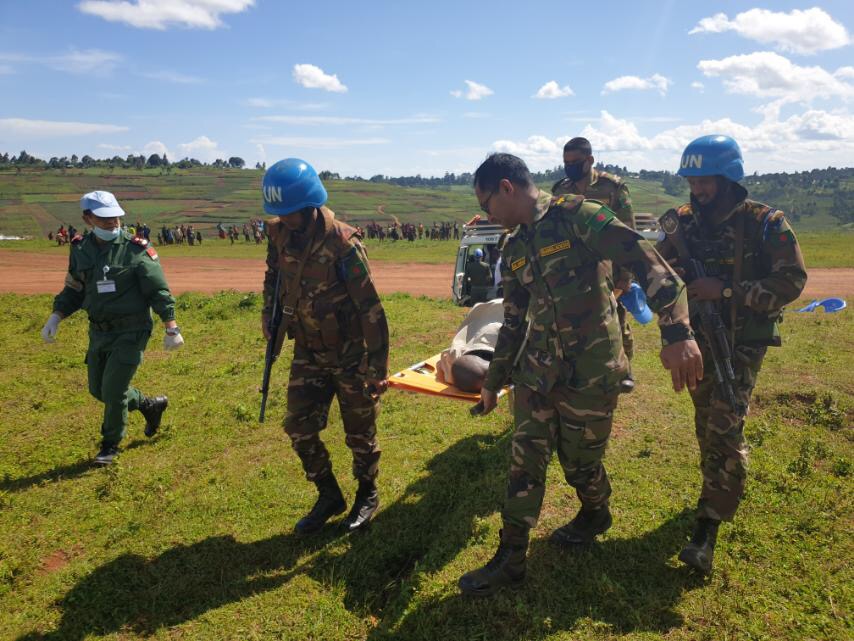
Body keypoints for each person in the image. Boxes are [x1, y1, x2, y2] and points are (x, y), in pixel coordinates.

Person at [458, 153, 702, 596]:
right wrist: (493, 384)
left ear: (507, 188)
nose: (488, 214)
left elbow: (649, 263)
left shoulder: (578, 217)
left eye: (488, 202)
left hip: (591, 370)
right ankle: (511, 557)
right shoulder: (514, 247)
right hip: (538, 370)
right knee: (523, 460)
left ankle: (595, 510)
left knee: (579, 463)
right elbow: (513, 323)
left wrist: (678, 332)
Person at [656, 135, 807, 574]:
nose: (697, 189)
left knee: (724, 423)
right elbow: (656, 270)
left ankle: (708, 527)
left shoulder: (765, 222)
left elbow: (791, 282)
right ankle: (715, 488)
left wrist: (725, 290)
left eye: (705, 181)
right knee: (708, 421)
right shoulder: (682, 223)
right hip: (694, 341)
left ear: (728, 178)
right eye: (692, 180)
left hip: (739, 343)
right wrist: (673, 281)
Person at [261, 158, 390, 534]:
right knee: (298, 426)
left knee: (359, 432)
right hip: (309, 351)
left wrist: (377, 368)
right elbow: (274, 276)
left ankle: (367, 492)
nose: (284, 219)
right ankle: (329, 495)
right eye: (279, 213)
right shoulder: (277, 233)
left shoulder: (343, 243)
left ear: (308, 205)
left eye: (290, 213)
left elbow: (372, 309)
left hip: (351, 355)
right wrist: (269, 318)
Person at [41, 191, 185, 465]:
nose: (112, 223)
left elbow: (158, 290)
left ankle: (110, 445)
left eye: (116, 217)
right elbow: (74, 288)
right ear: (87, 218)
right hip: (99, 331)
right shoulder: (80, 248)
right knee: (99, 390)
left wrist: (171, 327)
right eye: (104, 218)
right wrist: (56, 316)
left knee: (114, 390)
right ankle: (149, 405)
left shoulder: (136, 248)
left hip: (132, 331)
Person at [553, 137, 637, 388]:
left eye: (575, 162)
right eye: (565, 162)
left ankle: (624, 371)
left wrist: (624, 280)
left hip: (608, 269)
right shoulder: (560, 190)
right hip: (573, 270)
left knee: (616, 321)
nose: (569, 166)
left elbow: (627, 235)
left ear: (589, 160)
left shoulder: (612, 188)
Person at [437, 298, 503, 392]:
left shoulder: (454, 357)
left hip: (496, 309)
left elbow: (443, 361)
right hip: (493, 311)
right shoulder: (454, 360)